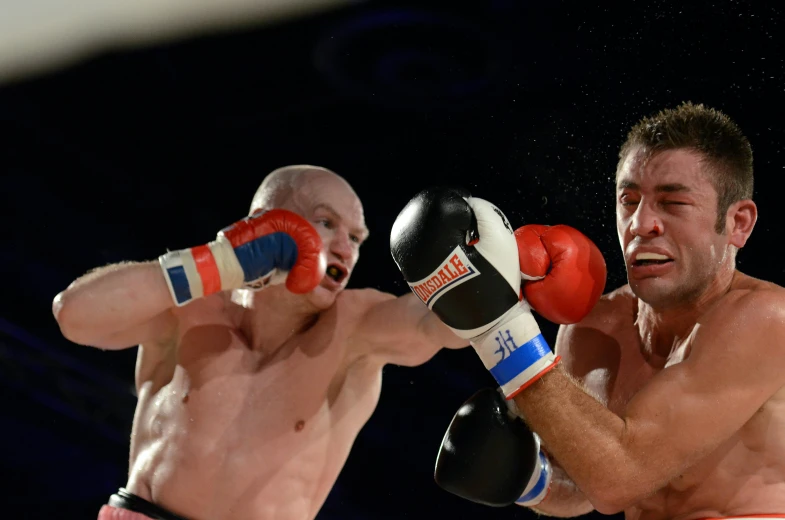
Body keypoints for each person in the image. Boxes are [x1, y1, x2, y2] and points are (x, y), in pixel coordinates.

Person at [391, 102, 785, 519]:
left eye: (672, 203)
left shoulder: (766, 319)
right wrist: (530, 481)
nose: (640, 223)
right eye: (629, 201)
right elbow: (586, 482)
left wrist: (499, 328)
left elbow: (620, 477)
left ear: (738, 223)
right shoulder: (595, 326)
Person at [52, 165, 470, 520]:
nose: (344, 248)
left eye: (357, 238)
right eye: (326, 223)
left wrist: (499, 263)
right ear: (268, 220)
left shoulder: (356, 325)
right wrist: (220, 262)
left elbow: (439, 324)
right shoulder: (191, 305)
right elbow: (74, 315)